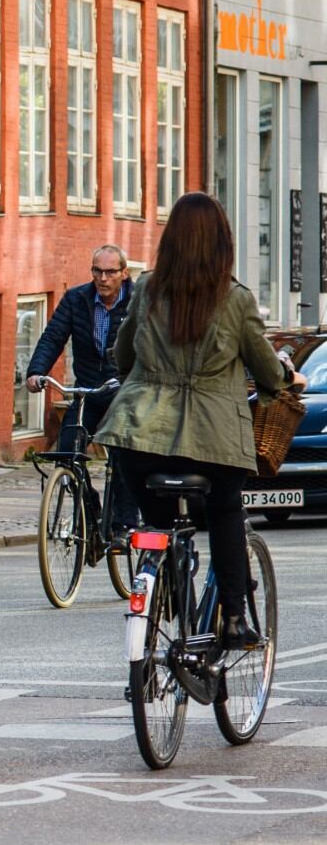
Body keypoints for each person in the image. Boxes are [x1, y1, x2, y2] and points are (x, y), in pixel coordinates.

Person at [95, 193, 302, 650]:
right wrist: (287, 375)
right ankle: (234, 619)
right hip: (215, 442)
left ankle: (164, 600)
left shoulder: (148, 288)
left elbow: (123, 355)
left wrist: (144, 381)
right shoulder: (235, 299)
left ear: (170, 240)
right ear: (221, 243)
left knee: (158, 523)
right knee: (226, 511)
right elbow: (268, 372)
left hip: (138, 436)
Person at [26, 244, 138, 543]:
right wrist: (36, 371)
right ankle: (90, 508)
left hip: (124, 391)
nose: (103, 278)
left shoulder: (138, 301)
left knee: (124, 454)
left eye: (110, 272)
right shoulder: (77, 298)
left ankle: (123, 524)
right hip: (88, 390)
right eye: (97, 271)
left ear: (124, 273)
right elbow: (53, 337)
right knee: (67, 451)